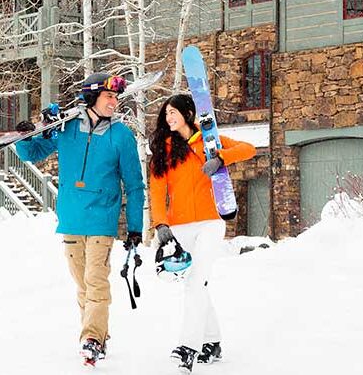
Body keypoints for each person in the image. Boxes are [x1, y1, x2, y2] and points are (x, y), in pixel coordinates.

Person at [15, 73, 144, 366]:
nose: (114, 102)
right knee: (83, 286)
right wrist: (29, 133)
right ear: (92, 98)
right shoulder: (67, 127)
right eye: (109, 97)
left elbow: (135, 185)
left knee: (96, 282)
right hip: (72, 218)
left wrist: (135, 228)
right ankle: (99, 335)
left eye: (116, 97)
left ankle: (91, 339)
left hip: (102, 219)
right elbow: (31, 154)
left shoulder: (121, 135)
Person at [148, 94, 255, 373]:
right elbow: (157, 192)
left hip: (210, 221)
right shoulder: (163, 149)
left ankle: (187, 347)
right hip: (179, 225)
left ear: (188, 113)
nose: (169, 117)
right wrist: (160, 225)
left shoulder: (208, 141)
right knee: (195, 284)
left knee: (196, 282)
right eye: (166, 113)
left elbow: (249, 148)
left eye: (174, 112)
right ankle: (212, 341)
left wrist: (221, 159)